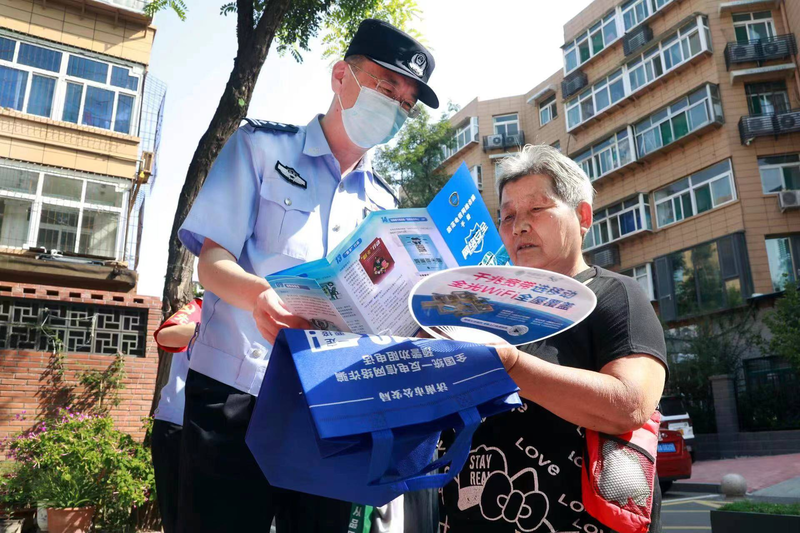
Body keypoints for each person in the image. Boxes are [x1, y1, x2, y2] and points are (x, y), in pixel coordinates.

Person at [176, 19, 440, 533]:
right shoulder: (260, 149)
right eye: (387, 87)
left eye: (406, 103)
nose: (395, 108)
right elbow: (211, 263)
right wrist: (259, 296)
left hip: (331, 409)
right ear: (341, 76)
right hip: (237, 395)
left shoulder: (385, 206)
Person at [439, 145, 668, 533]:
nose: (518, 226)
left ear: (582, 216)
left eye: (536, 210)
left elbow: (631, 403)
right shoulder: (481, 308)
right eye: (507, 216)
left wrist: (509, 365)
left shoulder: (615, 294)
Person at [150, 297, 202, 533]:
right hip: (176, 424)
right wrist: (214, 328)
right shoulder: (201, 307)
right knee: (177, 517)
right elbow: (165, 336)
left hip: (226, 426)